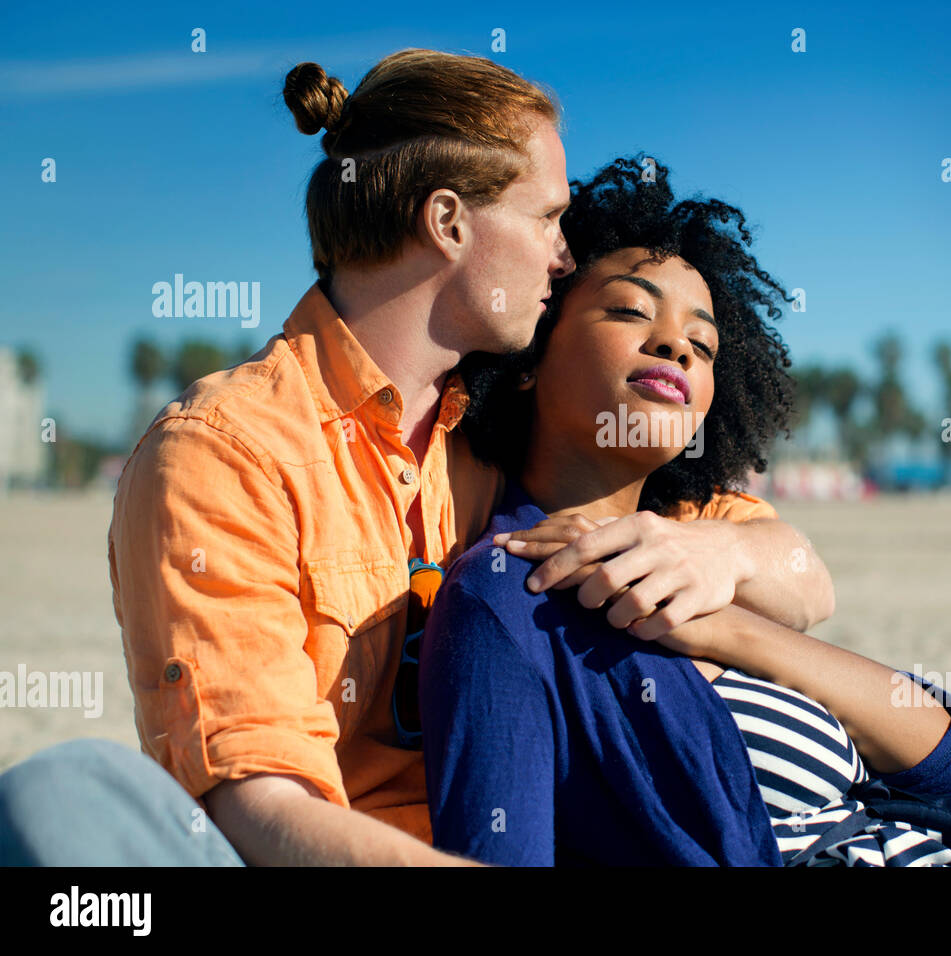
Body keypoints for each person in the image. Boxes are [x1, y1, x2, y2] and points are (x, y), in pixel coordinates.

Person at [0, 51, 833, 867]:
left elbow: (805, 582)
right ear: (447, 223)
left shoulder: (500, 430)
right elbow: (257, 806)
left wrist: (720, 550)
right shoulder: (226, 454)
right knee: (62, 791)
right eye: (547, 218)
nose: (565, 254)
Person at [420, 156, 951, 867]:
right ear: (529, 356)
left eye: (704, 340)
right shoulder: (507, 597)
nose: (675, 345)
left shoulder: (707, 553)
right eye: (628, 311)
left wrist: (726, 628)